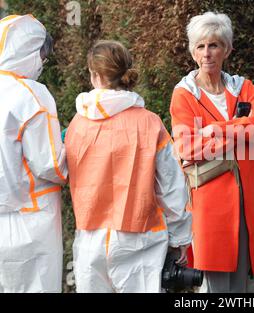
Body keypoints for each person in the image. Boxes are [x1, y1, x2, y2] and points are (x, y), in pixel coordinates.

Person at [65, 40, 192, 293]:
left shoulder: (77, 125)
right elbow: (171, 186)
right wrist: (180, 237)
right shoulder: (149, 123)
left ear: (95, 75)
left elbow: (58, 171)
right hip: (141, 237)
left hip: (90, 236)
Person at [170, 12, 254, 293]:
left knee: (240, 287)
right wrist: (238, 136)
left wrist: (216, 130)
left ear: (227, 49)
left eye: (214, 45)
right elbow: (187, 147)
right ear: (192, 51)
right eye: (200, 46)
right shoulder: (184, 94)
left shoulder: (243, 86)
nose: (207, 53)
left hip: (249, 201)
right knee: (214, 287)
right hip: (209, 204)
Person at [0, 15, 67, 292]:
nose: (42, 63)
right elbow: (50, 164)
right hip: (32, 220)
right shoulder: (32, 94)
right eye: (42, 55)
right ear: (29, 50)